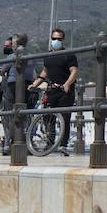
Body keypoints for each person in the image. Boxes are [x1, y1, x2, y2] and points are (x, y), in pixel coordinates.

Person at [29, 27, 79, 156]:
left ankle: (63, 145)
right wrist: (34, 84)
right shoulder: (48, 55)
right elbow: (45, 72)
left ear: (63, 40)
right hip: (52, 90)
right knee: (47, 116)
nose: (56, 41)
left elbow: (74, 71)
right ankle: (50, 142)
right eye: (54, 38)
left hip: (65, 91)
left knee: (64, 118)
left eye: (58, 39)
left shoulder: (69, 54)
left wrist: (68, 84)